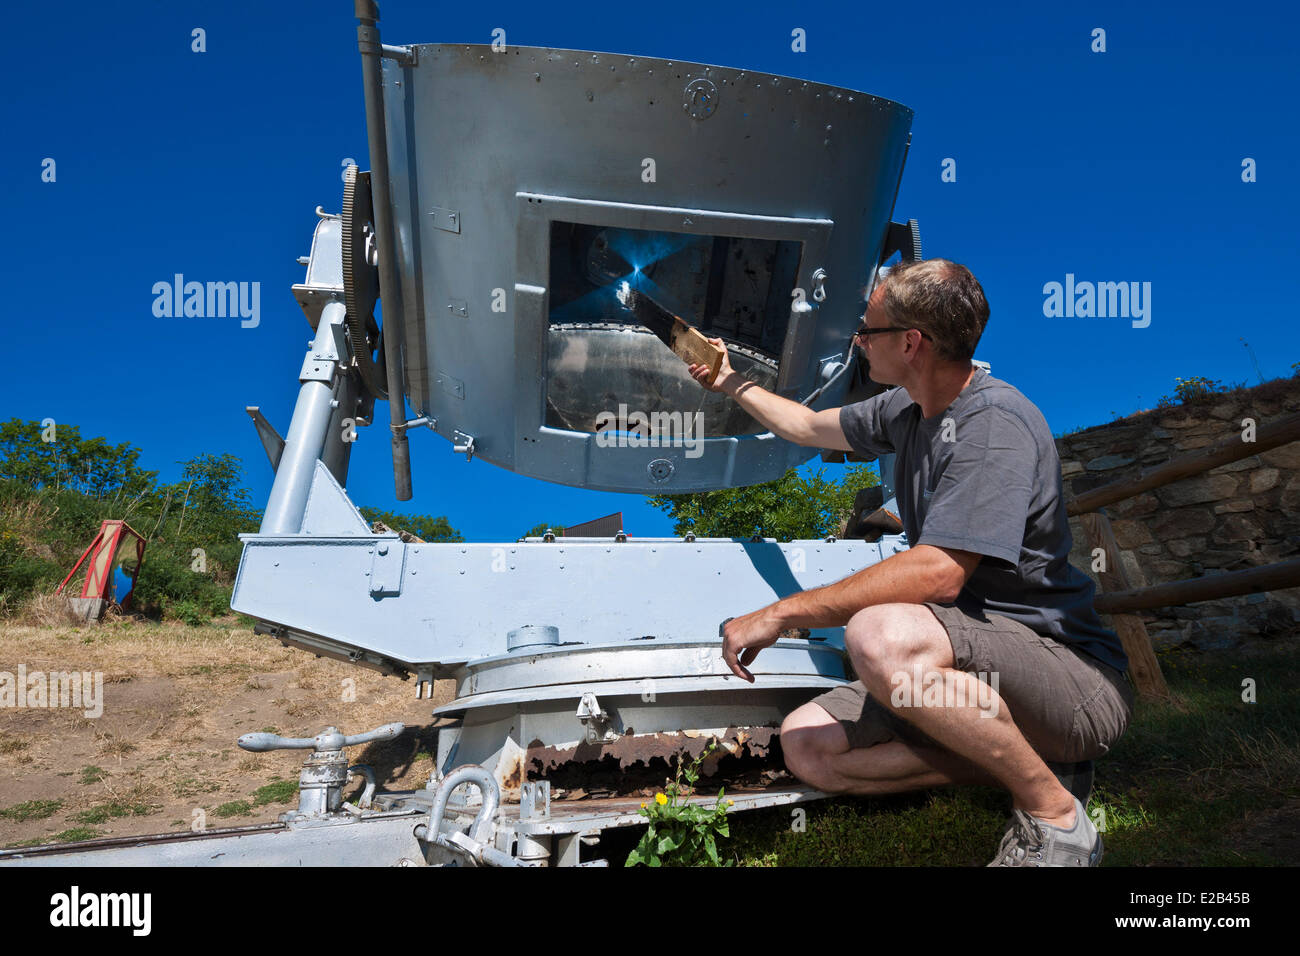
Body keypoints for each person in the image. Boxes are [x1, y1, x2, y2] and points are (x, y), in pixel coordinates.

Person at [687, 258, 1134, 867]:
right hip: (965, 662)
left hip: (1071, 679)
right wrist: (730, 382)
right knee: (807, 747)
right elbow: (807, 425)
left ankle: (1055, 818)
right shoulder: (905, 409)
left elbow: (938, 573)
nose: (856, 341)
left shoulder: (993, 424)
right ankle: (1016, 760)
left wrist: (781, 614)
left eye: (866, 330)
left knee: (879, 634)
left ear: (911, 342)